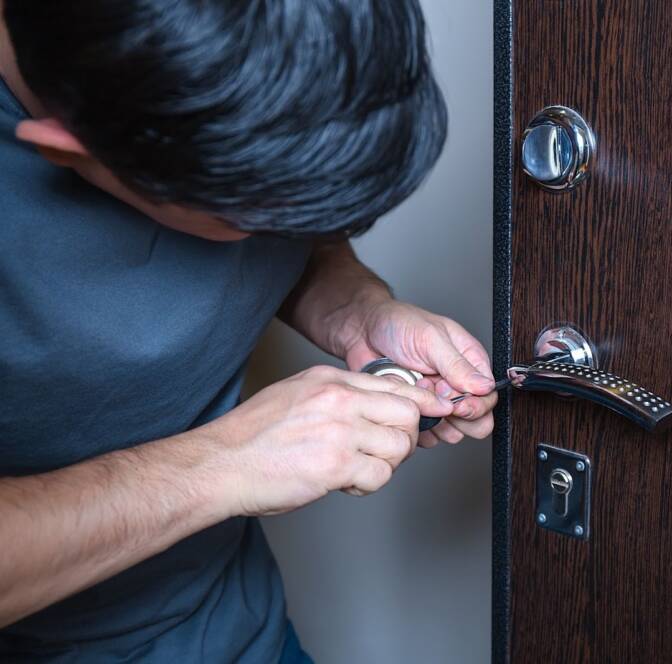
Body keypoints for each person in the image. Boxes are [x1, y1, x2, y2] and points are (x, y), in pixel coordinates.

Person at [0, 1, 497, 661]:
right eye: (253, 219)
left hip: (236, 627)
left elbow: (281, 225)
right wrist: (226, 463)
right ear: (66, 152)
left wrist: (354, 307)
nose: (277, 233)